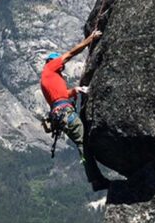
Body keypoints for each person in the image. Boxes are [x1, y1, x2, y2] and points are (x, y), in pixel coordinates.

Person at [40, 29, 109, 191]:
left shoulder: (49, 78)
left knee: (84, 139)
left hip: (61, 113)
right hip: (65, 113)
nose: (62, 67)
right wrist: (89, 39)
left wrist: (75, 90)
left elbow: (59, 97)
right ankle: (96, 180)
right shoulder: (50, 68)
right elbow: (70, 53)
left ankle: (96, 178)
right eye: (61, 65)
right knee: (83, 142)